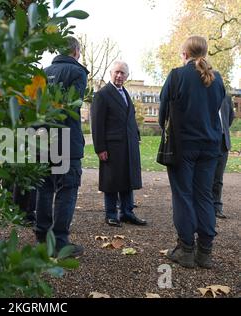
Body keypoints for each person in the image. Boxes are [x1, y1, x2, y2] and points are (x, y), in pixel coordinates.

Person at [160, 36, 225, 269]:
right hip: (210, 146)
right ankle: (205, 252)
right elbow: (218, 110)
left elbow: (163, 109)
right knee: (204, 195)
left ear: (185, 54)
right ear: (204, 54)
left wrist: (164, 129)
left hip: (183, 145)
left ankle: (186, 249)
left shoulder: (177, 75)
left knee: (183, 195)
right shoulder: (216, 80)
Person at [35, 36, 89, 257]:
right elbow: (71, 107)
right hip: (66, 138)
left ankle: (42, 235)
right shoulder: (77, 72)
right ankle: (58, 241)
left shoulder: (42, 73)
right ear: (76, 51)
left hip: (43, 137)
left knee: (45, 186)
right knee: (67, 188)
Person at [91, 61, 146, 227]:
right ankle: (111, 214)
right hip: (111, 146)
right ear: (110, 73)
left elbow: (130, 116)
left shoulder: (125, 93)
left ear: (127, 76)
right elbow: (97, 124)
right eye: (117, 72)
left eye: (123, 73)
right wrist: (100, 148)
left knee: (128, 179)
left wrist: (136, 135)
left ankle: (127, 213)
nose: (119, 75)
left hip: (129, 144)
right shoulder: (102, 94)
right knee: (111, 180)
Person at [212, 95, 234, 219]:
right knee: (205, 177)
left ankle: (217, 207)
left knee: (218, 178)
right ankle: (205, 207)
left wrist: (223, 129)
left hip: (222, 142)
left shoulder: (226, 97)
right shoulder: (206, 94)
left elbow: (230, 117)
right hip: (208, 140)